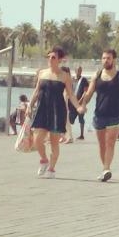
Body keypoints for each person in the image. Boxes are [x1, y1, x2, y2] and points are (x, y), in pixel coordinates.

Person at [27, 48, 83, 178]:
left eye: (53, 57)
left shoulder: (64, 76)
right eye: (49, 57)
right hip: (42, 109)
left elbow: (71, 94)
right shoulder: (42, 73)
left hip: (57, 111)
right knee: (37, 140)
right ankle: (44, 160)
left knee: (54, 142)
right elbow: (36, 91)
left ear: (59, 60)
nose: (50, 59)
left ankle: (51, 169)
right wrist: (30, 105)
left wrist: (78, 107)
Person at [77, 47, 119, 181]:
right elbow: (89, 93)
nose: (105, 60)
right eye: (103, 58)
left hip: (114, 115)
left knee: (110, 143)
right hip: (99, 114)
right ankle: (105, 169)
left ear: (114, 60)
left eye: (108, 58)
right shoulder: (97, 75)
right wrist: (83, 105)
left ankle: (107, 168)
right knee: (102, 144)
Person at [69, 65, 89, 140]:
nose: (79, 72)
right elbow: (70, 90)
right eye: (77, 70)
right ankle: (68, 134)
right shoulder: (72, 79)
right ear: (75, 71)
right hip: (72, 103)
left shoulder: (84, 80)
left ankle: (81, 135)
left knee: (81, 118)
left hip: (81, 103)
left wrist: (80, 100)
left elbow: (85, 91)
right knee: (70, 119)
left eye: (80, 70)